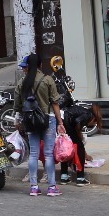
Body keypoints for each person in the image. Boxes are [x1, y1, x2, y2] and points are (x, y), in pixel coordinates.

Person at [19, 53, 62, 195]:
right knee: (48, 154)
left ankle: (34, 187)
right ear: (40, 65)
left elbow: (17, 106)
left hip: (30, 121)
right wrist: (60, 122)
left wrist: (18, 121)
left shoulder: (22, 82)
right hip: (48, 119)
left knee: (34, 154)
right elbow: (55, 103)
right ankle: (51, 187)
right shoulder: (47, 79)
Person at [52, 58, 90, 186]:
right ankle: (80, 177)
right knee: (77, 146)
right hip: (66, 120)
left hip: (59, 120)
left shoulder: (55, 83)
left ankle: (64, 175)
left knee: (64, 145)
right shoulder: (85, 112)